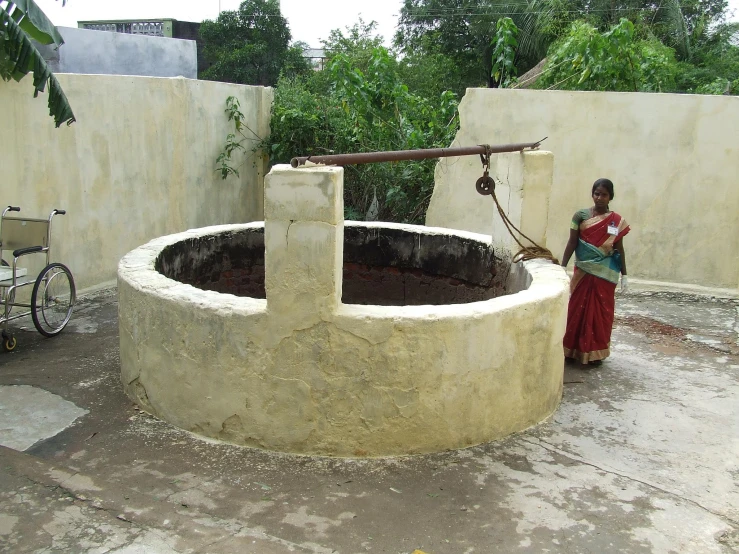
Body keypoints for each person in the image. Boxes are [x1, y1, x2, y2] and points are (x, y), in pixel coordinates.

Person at [560, 178, 630, 366]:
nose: (599, 198)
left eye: (604, 194)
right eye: (597, 193)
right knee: (575, 309)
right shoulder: (580, 216)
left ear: (610, 197)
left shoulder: (616, 221)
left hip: (605, 275)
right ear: (592, 194)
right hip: (582, 271)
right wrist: (562, 266)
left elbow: (619, 248)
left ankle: (595, 353)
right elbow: (572, 242)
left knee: (602, 312)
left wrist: (625, 275)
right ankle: (571, 350)